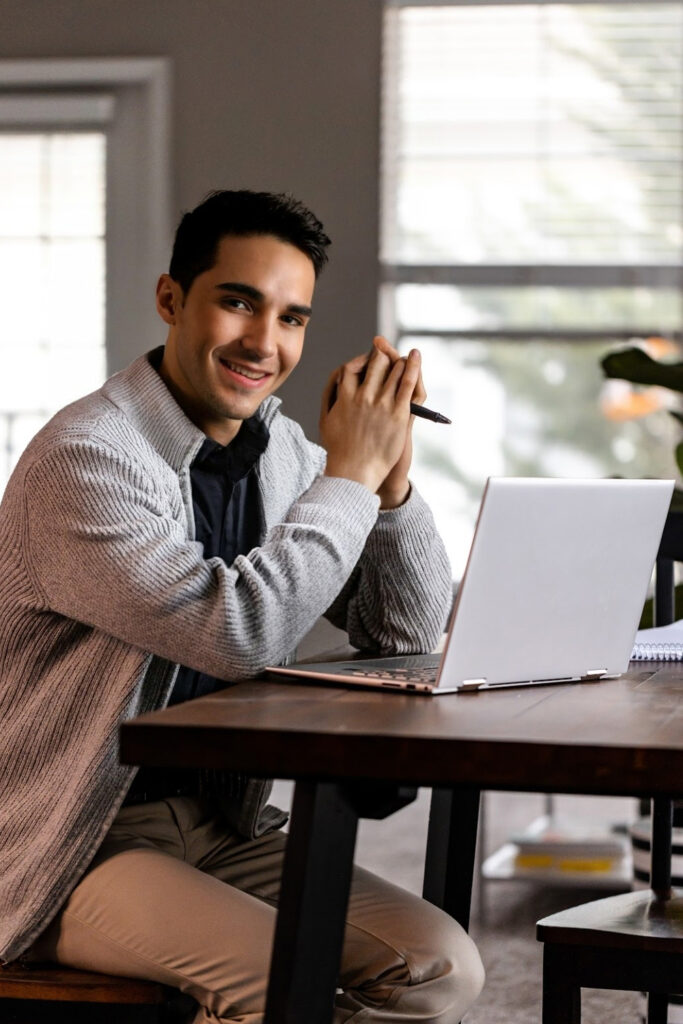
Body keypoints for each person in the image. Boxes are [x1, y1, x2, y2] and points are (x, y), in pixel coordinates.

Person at [0, 189, 484, 1022]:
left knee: (441, 967)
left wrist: (392, 485)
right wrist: (349, 479)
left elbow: (402, 636)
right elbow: (233, 632)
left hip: (222, 823)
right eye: (238, 302)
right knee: (283, 984)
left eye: (292, 318)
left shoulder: (286, 454)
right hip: (67, 841)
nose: (265, 343)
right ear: (170, 300)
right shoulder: (85, 461)